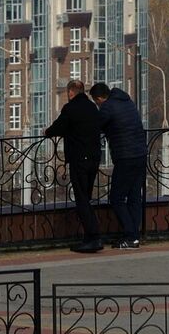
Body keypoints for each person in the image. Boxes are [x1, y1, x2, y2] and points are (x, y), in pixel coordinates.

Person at [44, 78, 104, 252]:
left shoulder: (70, 109)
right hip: (94, 158)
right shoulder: (93, 108)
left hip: (79, 159)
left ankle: (93, 238)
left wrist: (47, 132)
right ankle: (90, 237)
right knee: (87, 196)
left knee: (82, 200)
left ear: (70, 93)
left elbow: (58, 127)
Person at [92, 81, 147, 249]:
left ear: (100, 98)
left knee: (116, 198)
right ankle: (135, 237)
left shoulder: (108, 107)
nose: (98, 105)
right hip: (140, 154)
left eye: (96, 102)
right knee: (134, 197)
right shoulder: (127, 101)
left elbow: (95, 125)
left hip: (125, 156)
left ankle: (130, 236)